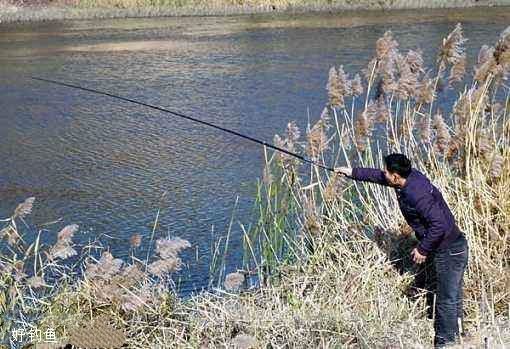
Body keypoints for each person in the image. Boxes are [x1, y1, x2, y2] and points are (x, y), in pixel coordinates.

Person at [335, 153, 469, 348]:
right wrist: (351, 172)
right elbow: (378, 177)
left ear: (396, 176)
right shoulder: (407, 178)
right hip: (451, 246)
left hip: (449, 250)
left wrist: (422, 249)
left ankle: (445, 343)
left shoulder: (415, 193)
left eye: (387, 171)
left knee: (446, 299)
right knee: (452, 295)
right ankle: (458, 336)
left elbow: (438, 224)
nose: (384, 173)